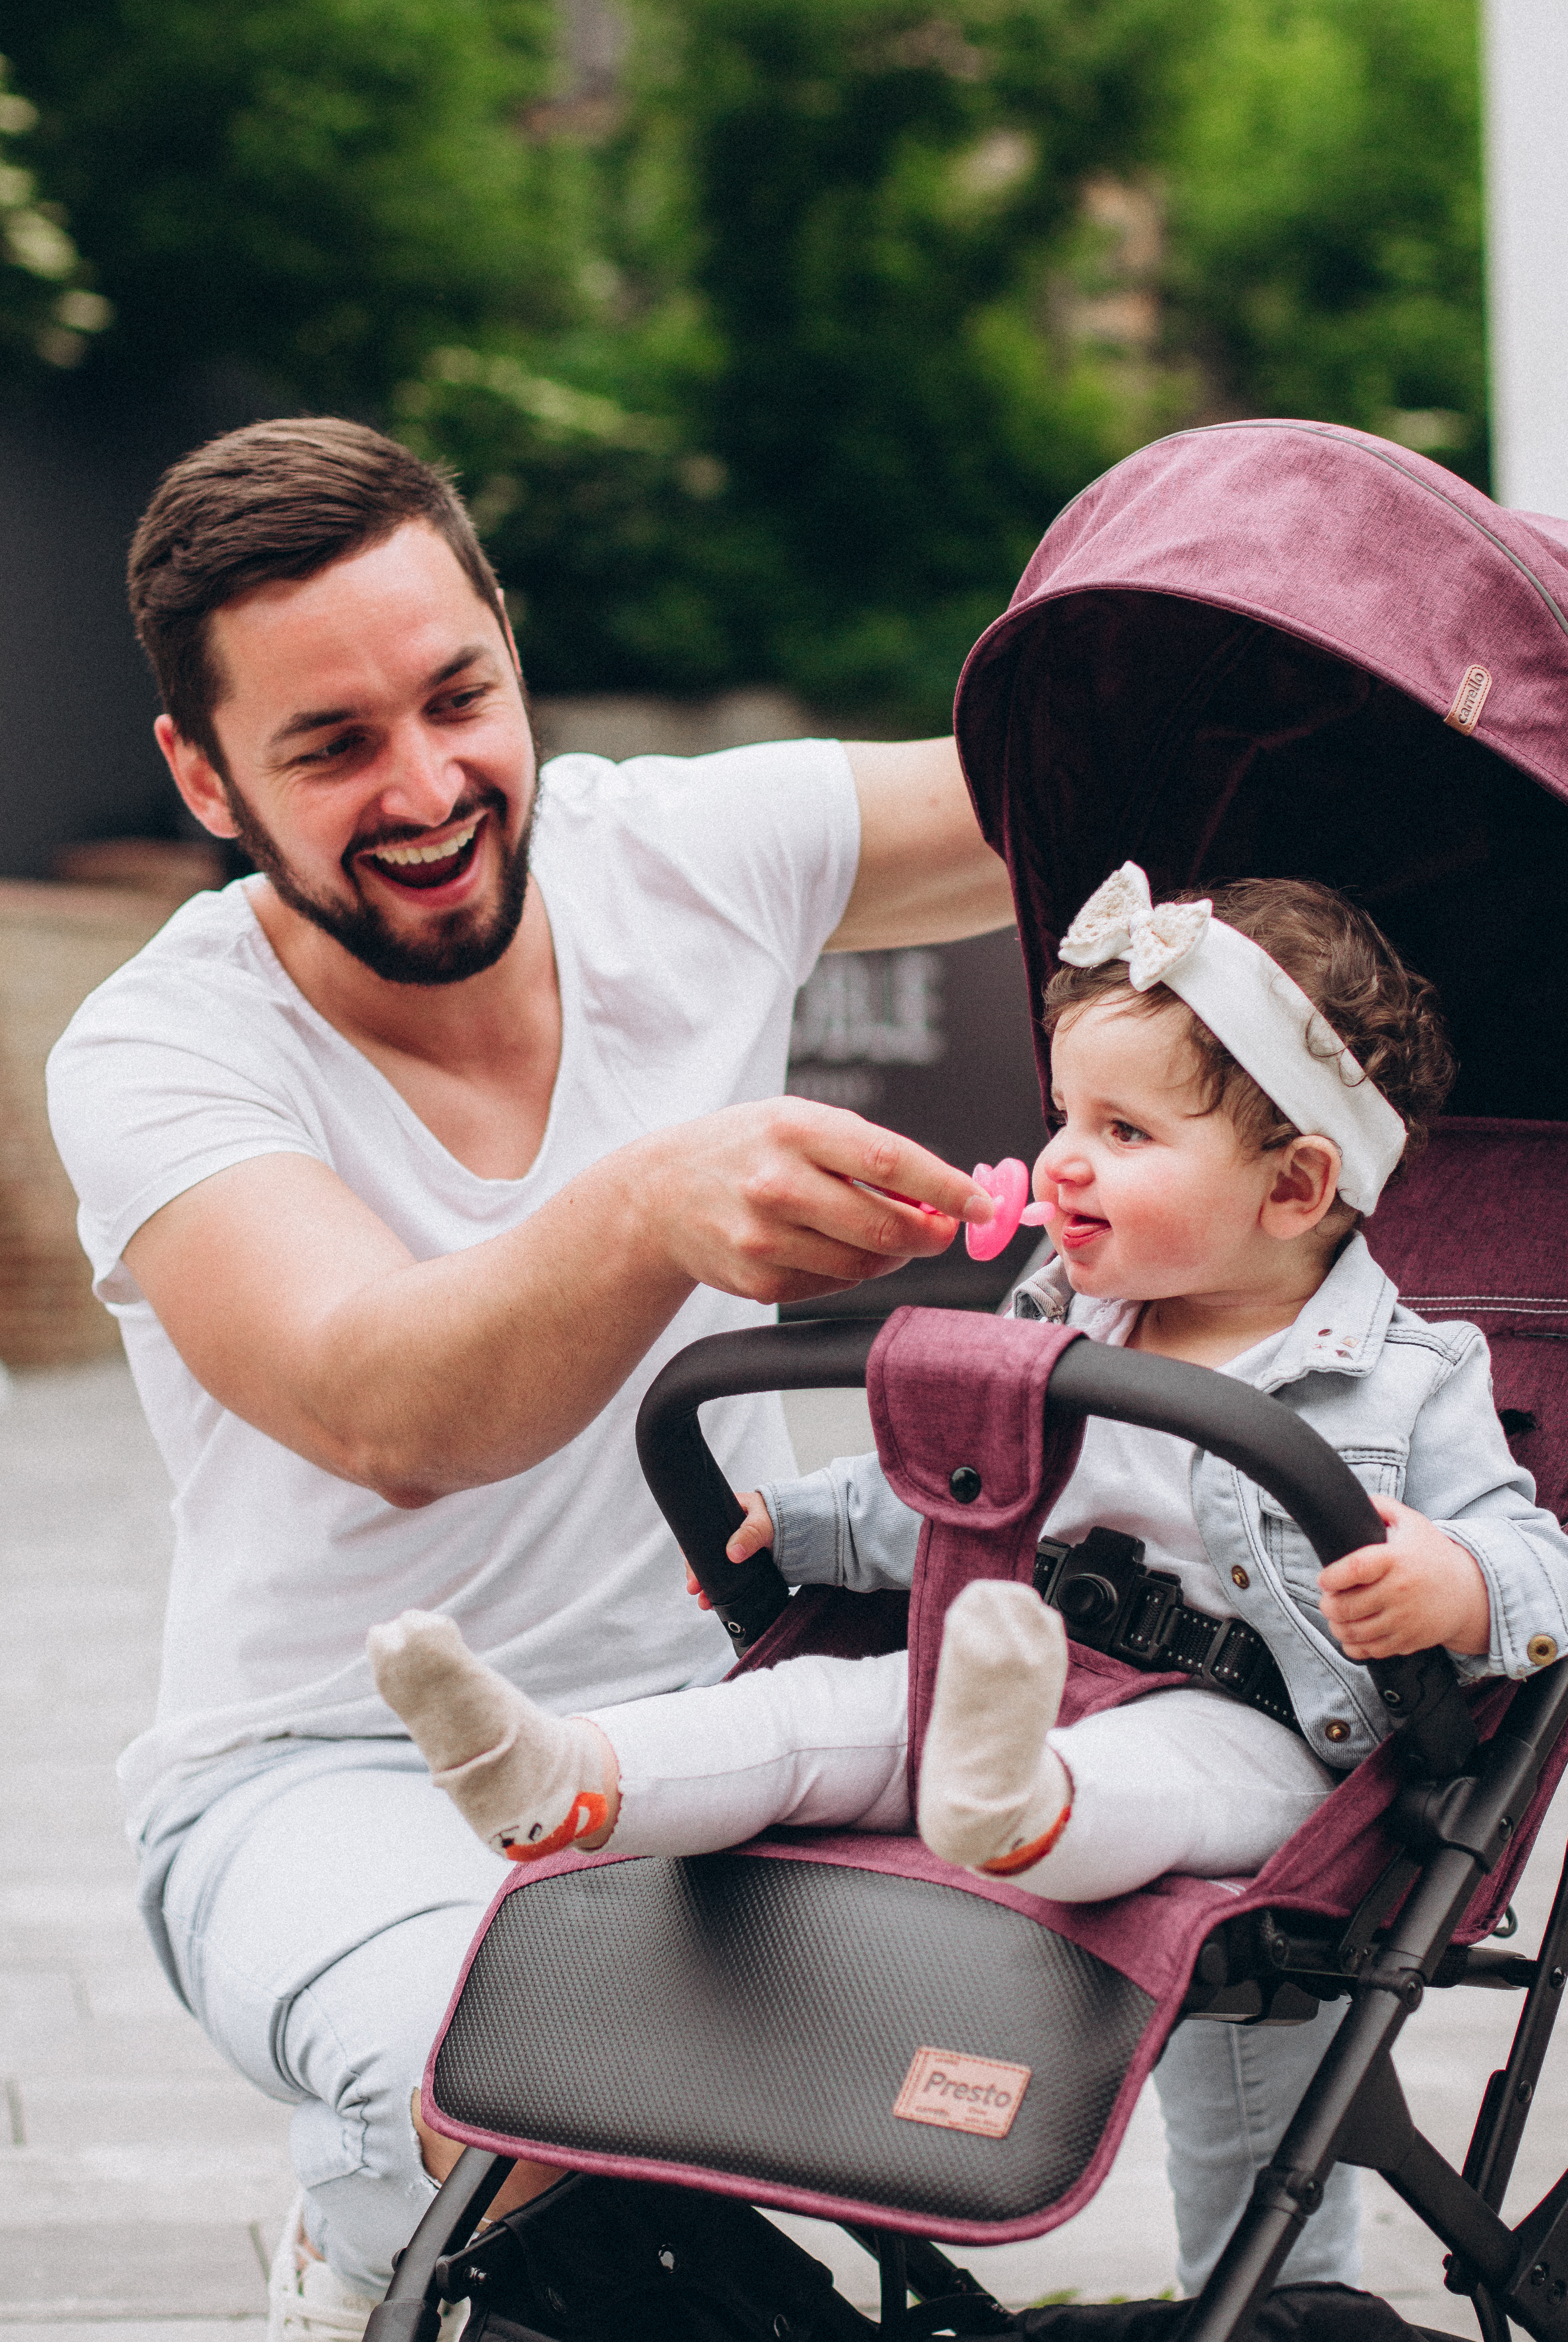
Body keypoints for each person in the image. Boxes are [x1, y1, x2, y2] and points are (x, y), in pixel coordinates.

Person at [44, 415, 1016, 2339]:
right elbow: (383, 1403)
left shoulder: (678, 857)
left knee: (1164, 1920)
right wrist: (652, 1199)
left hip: (731, 1716)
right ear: (204, 778)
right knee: (510, 2085)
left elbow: (1065, 789)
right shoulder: (157, 1053)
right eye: (329, 748)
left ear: (503, 639)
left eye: (455, 698)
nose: (424, 788)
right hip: (332, 1776)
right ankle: (377, 2233)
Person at [369, 867, 1568, 2296]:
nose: (1062, 1158)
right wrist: (799, 1530)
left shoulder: (1415, 1380)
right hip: (1011, 1664)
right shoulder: (1058, 1318)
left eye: (1123, 1131)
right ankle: (563, 1770)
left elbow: (1540, 1565)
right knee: (820, 1712)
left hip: (1246, 1739)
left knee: (1159, 1840)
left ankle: (1017, 1812)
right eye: (1065, 1114)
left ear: (1295, 1183)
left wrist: (1452, 1586)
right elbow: (942, 1500)